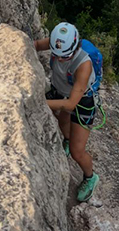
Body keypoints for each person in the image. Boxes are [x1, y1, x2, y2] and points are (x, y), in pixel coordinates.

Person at [35, 22, 100, 202]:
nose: (60, 59)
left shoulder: (83, 64)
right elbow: (35, 45)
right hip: (61, 89)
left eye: (64, 57)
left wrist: (39, 102)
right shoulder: (58, 43)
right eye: (57, 56)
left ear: (75, 46)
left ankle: (90, 177)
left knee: (77, 151)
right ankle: (68, 138)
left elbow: (71, 104)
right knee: (62, 121)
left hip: (81, 100)